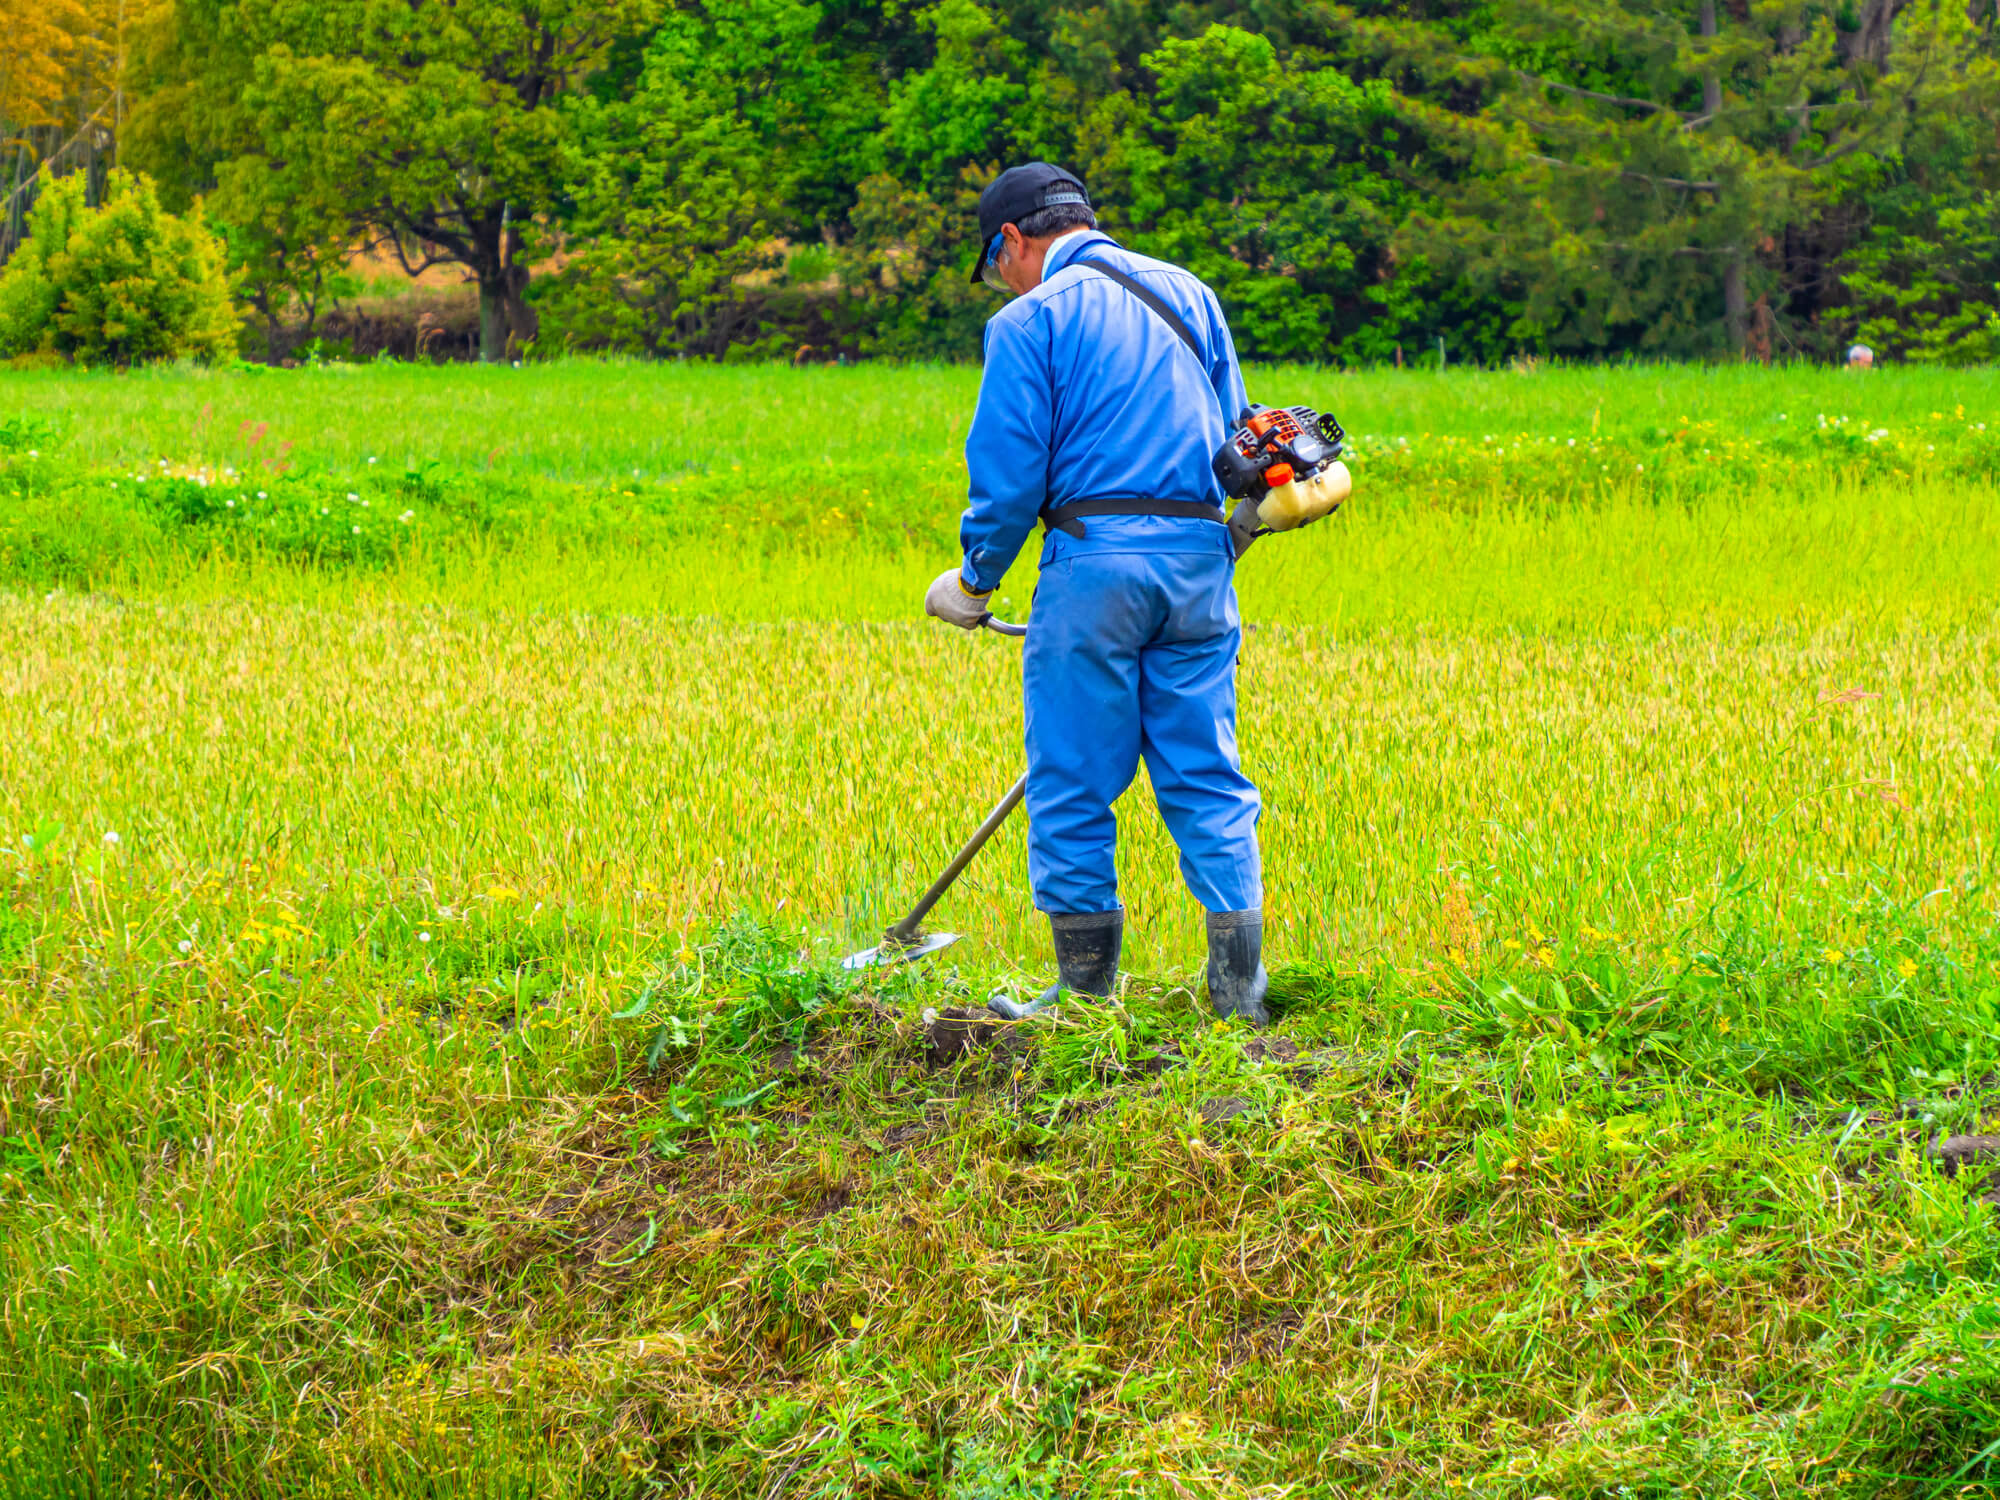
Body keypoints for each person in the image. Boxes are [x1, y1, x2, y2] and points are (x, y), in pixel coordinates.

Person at [921, 162, 1269, 1025]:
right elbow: (1240, 431)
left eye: (994, 261)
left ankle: (1081, 999)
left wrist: (973, 580)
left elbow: (1008, 478)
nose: (999, 278)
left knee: (1072, 777)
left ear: (1011, 240)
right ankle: (1239, 999)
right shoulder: (1192, 293)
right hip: (1200, 561)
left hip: (1094, 560)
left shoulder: (1028, 320)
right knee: (1207, 774)